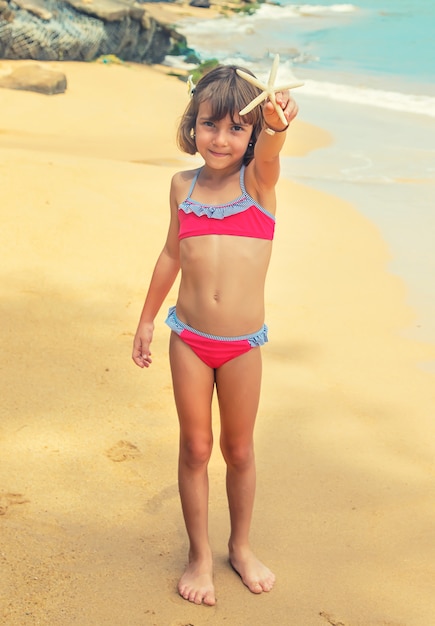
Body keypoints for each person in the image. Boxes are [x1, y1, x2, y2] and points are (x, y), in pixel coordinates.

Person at [132, 63, 298, 606]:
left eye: (236, 128)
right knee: (196, 447)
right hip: (190, 340)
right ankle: (199, 555)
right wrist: (147, 318)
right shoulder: (183, 185)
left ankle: (241, 547)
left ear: (250, 134)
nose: (220, 139)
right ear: (193, 124)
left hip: (242, 345)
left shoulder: (258, 183)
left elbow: (271, 151)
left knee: (240, 450)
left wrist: (275, 127)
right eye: (209, 125)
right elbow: (170, 253)